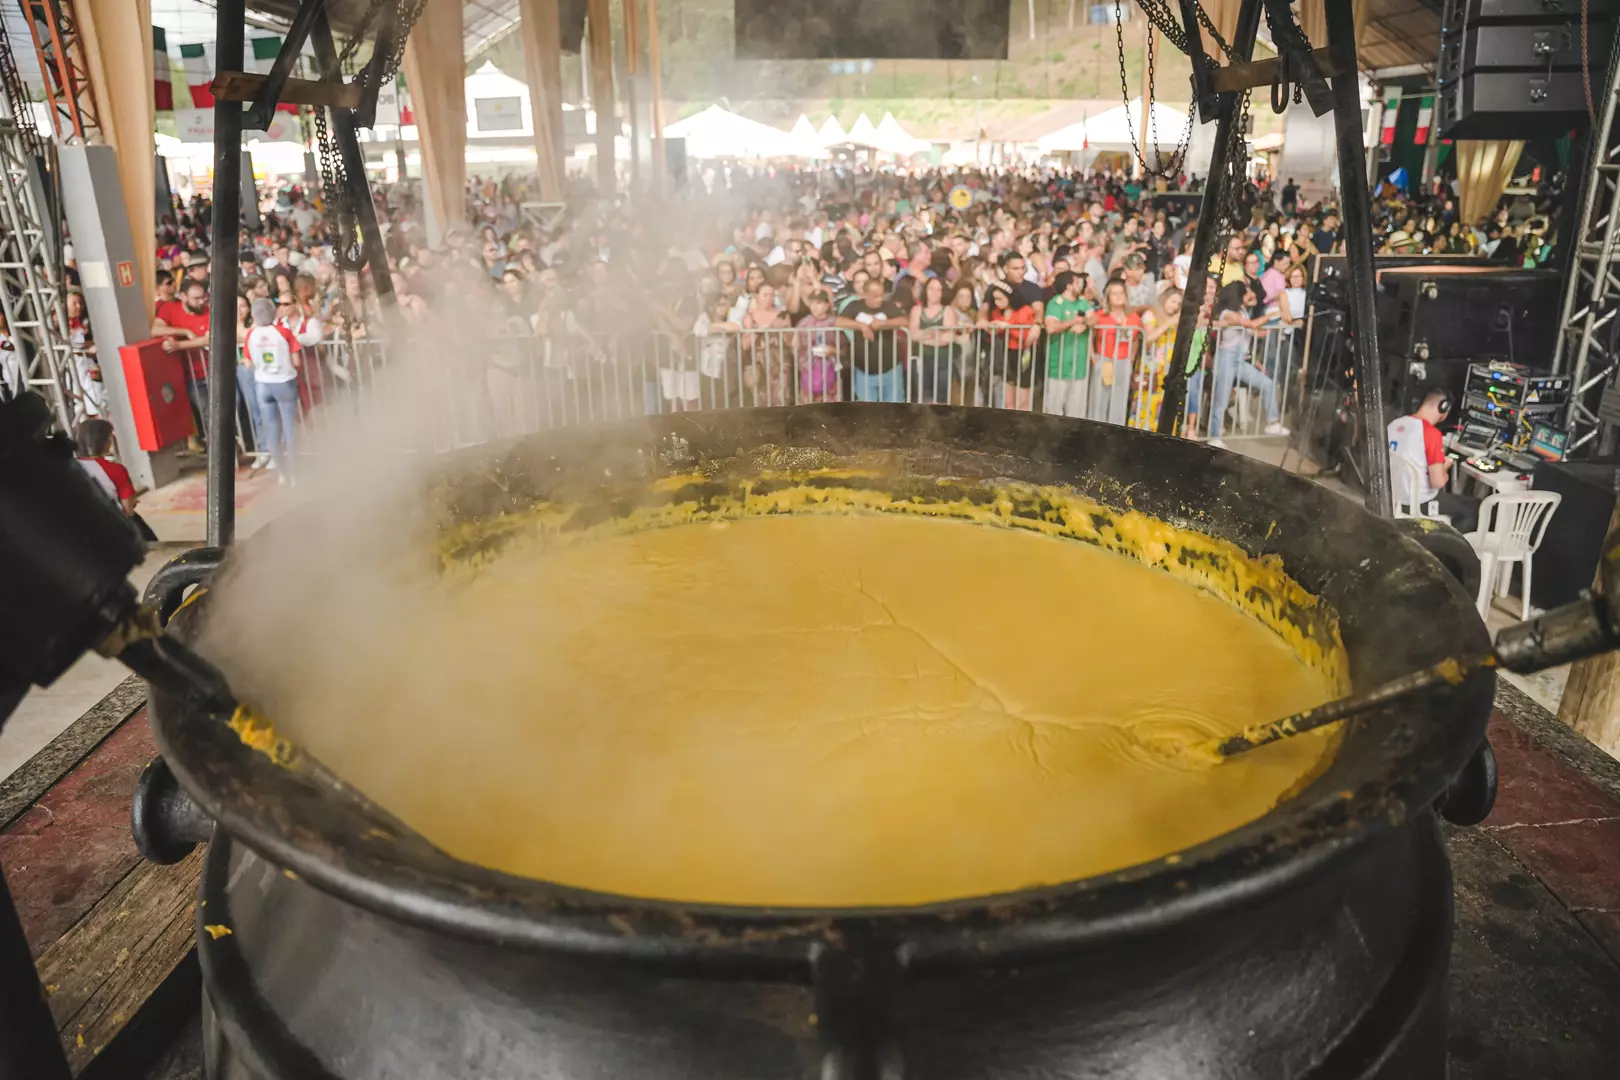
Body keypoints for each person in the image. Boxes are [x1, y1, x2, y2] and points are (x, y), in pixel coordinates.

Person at [1206, 280, 1288, 447]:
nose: (1249, 295)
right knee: (1221, 398)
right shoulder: (1227, 313)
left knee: (1267, 383)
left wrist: (1277, 325)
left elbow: (1254, 331)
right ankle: (1214, 435)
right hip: (1226, 358)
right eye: (1246, 293)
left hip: (1240, 359)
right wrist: (1269, 316)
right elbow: (1248, 325)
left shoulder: (1243, 311)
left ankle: (1272, 423)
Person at [1388, 387, 1478, 531]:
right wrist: (1445, 467)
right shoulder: (1430, 433)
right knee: (1472, 508)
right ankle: (1448, 551)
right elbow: (1438, 482)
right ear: (1443, 408)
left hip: (1392, 496)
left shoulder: (1395, 424)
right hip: (1418, 502)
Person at [242, 297, 302, 481]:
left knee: (272, 428)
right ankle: (294, 473)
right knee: (289, 428)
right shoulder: (283, 332)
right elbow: (297, 361)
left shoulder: (251, 335)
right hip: (284, 382)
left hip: (262, 384)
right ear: (274, 312)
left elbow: (247, 363)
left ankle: (282, 474)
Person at [74, 418, 156, 540]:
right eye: (109, 438)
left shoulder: (71, 466)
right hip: (114, 526)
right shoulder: (116, 470)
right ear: (103, 441)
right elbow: (128, 509)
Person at [1089, 279, 1141, 426]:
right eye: (1114, 293)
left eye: (1121, 293)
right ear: (1108, 297)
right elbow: (1090, 337)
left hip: (1123, 361)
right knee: (1100, 399)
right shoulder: (1100, 316)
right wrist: (1093, 357)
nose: (1118, 296)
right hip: (1104, 359)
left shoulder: (1133, 317)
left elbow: (1136, 338)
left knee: (1119, 399)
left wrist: (1131, 358)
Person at [848, 277, 905, 402]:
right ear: (865, 294)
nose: (880, 299)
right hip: (864, 370)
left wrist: (884, 323)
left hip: (891, 368)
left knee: (896, 410)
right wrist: (861, 326)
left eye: (881, 295)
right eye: (875, 296)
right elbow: (839, 322)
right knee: (867, 412)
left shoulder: (889, 306)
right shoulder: (854, 306)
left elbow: (903, 321)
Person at [1042, 271, 1090, 418]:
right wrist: (1072, 322)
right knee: (1053, 414)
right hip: (1059, 368)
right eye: (1077, 282)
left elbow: (1094, 319)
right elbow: (1050, 327)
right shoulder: (1056, 303)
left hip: (1079, 368)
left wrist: (1085, 324)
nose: (1080, 285)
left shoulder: (1083, 302)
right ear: (1069, 285)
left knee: (1076, 414)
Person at [908, 276, 960, 404]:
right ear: (925, 290)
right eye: (931, 288)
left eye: (938, 289)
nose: (934, 293)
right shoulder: (916, 310)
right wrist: (937, 333)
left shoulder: (948, 311)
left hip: (943, 359)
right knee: (923, 396)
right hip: (921, 357)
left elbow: (947, 338)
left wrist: (925, 334)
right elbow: (913, 335)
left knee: (941, 397)